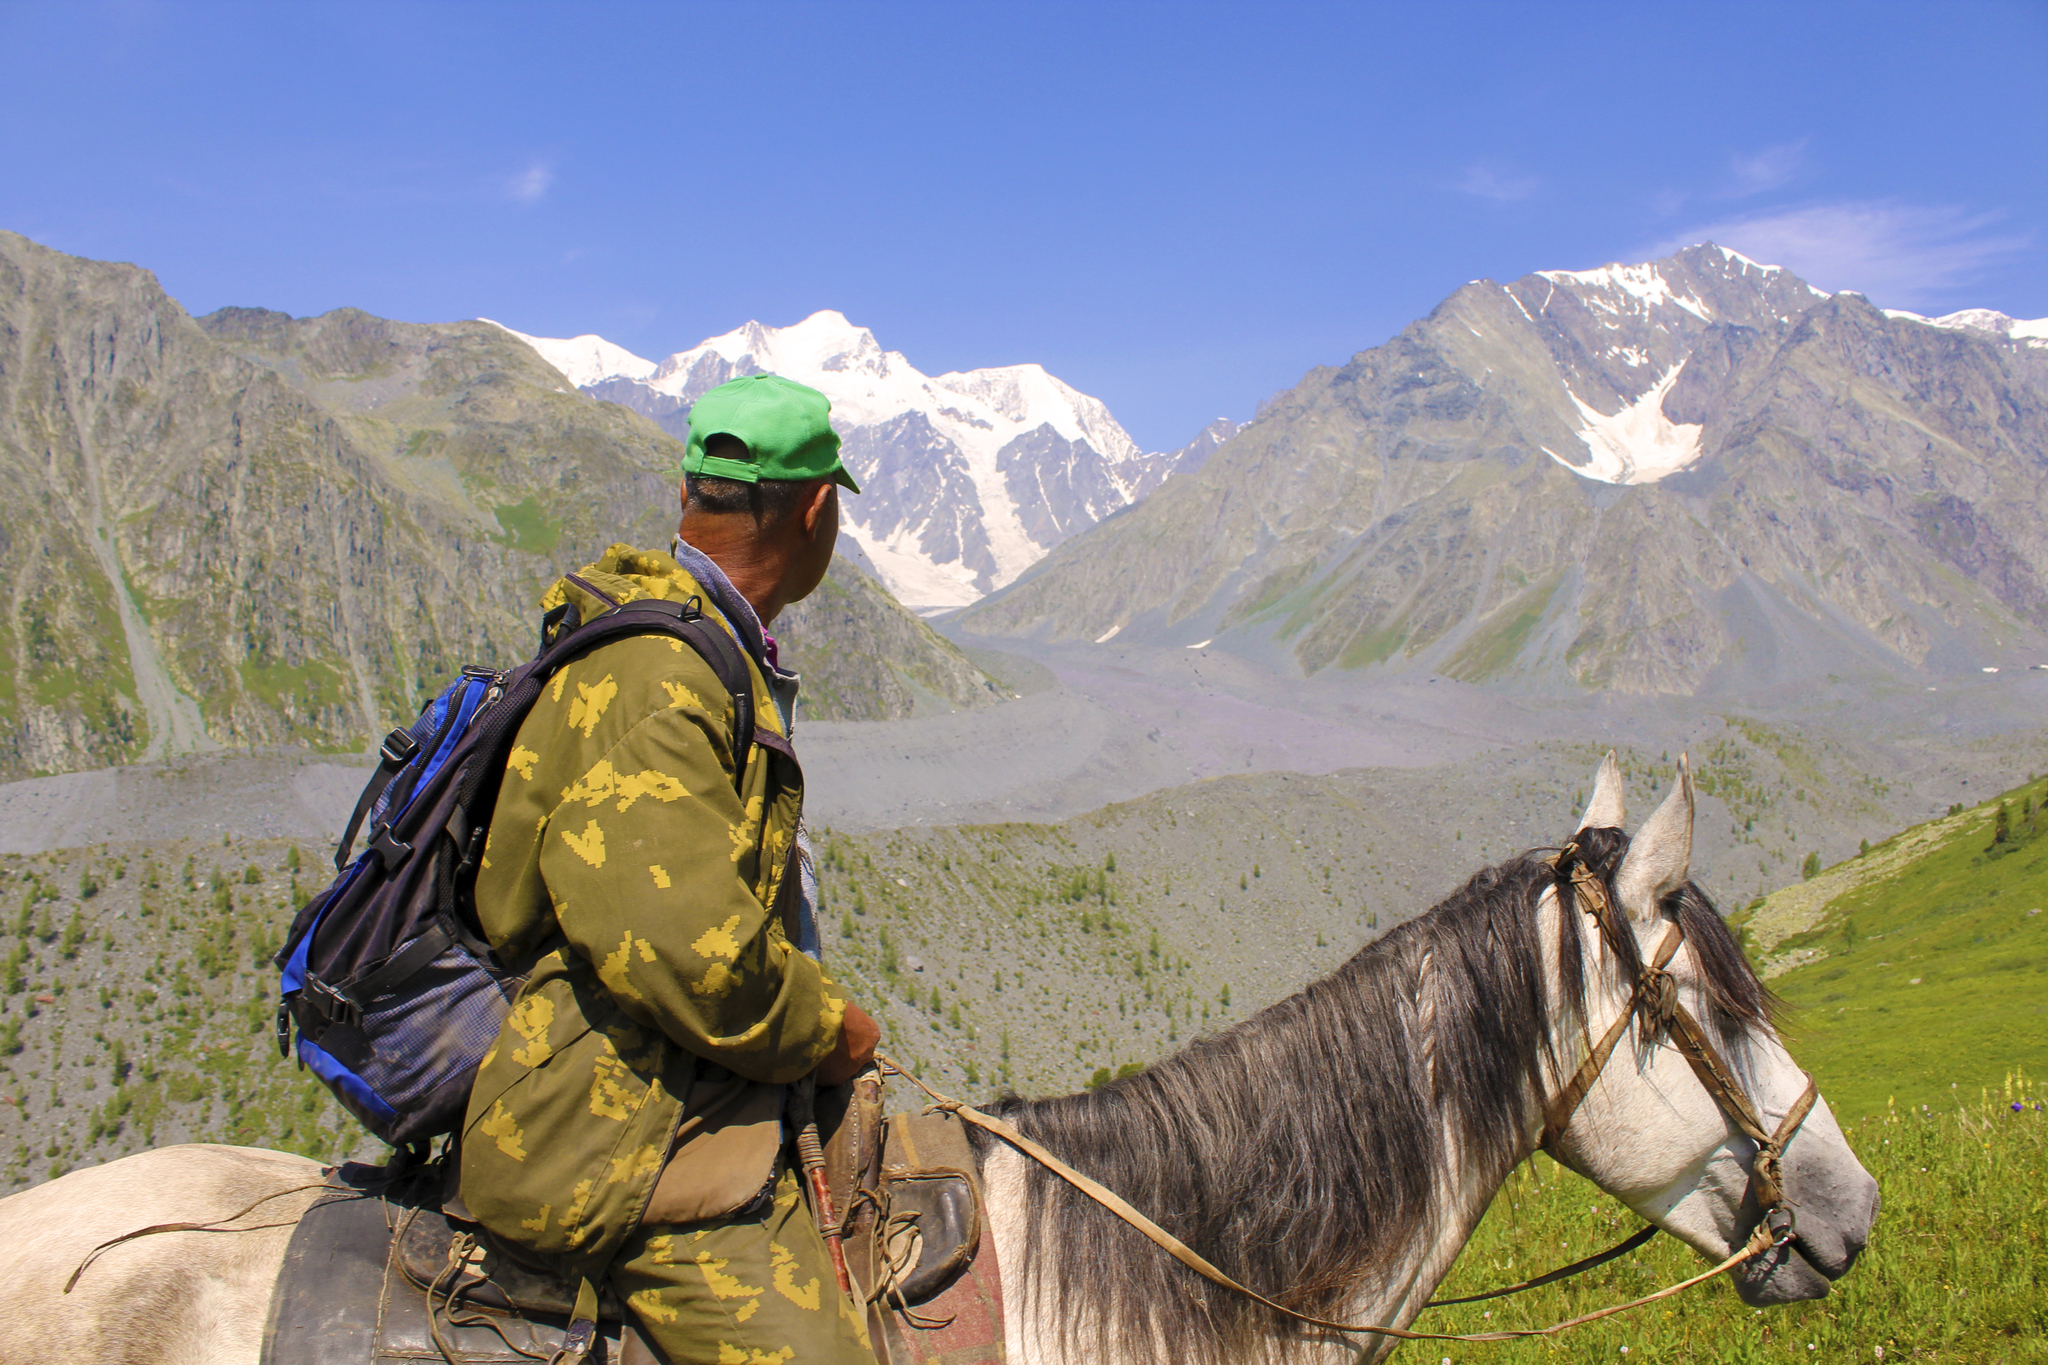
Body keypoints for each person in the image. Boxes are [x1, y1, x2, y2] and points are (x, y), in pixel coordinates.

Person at [458, 373, 882, 1365]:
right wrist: (828, 1027)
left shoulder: (681, 639)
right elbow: (680, 949)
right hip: (611, 1126)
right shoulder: (662, 673)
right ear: (815, 510)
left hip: (647, 1077)